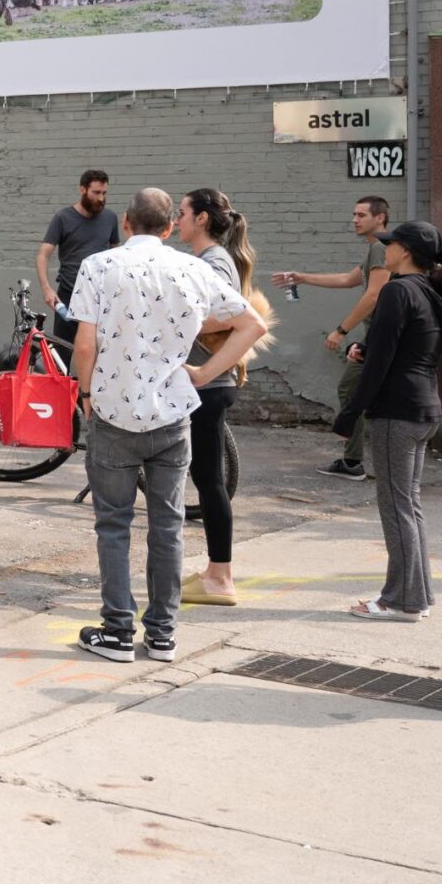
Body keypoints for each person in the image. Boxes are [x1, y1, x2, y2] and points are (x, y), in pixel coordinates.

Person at [69, 188, 267, 663]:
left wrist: (86, 393)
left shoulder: (98, 267)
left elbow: (83, 346)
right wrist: (204, 373)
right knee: (168, 524)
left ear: (125, 223)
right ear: (168, 228)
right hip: (172, 412)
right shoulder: (193, 269)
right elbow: (253, 325)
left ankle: (117, 630)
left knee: (113, 524)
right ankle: (161, 633)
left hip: (114, 409)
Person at [275, 195, 442, 492]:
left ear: (380, 219)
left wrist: (341, 330)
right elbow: (350, 279)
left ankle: (355, 461)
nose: (355, 219)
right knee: (412, 407)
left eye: (362, 214)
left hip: (387, 341)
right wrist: (304, 278)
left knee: (363, 392)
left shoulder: (382, 253)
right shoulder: (384, 256)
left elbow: (375, 293)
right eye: (354, 214)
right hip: (387, 345)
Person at [331, 220, 442, 624]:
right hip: (424, 409)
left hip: (397, 412)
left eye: (390, 245)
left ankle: (399, 601)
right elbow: (396, 347)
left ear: (404, 252)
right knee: (409, 506)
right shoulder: (432, 292)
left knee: (396, 508)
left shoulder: (397, 290)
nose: (384, 248)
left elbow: (383, 360)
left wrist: (351, 411)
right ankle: (415, 595)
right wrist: (363, 347)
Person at [176, 187, 272, 607]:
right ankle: (216, 571)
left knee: (210, 481)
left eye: (182, 213)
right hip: (210, 384)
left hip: (210, 384)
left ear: (200, 219)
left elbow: (230, 317)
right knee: (205, 477)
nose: (176, 219)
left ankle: (221, 578)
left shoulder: (213, 260)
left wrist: (177, 323)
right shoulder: (211, 259)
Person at [36, 169, 120, 348]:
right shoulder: (63, 218)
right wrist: (47, 289)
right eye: (96, 193)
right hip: (69, 295)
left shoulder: (110, 218)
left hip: (101, 297)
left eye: (104, 193)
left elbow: (117, 255)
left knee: (101, 353)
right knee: (62, 351)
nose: (101, 198)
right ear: (82, 190)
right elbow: (43, 254)